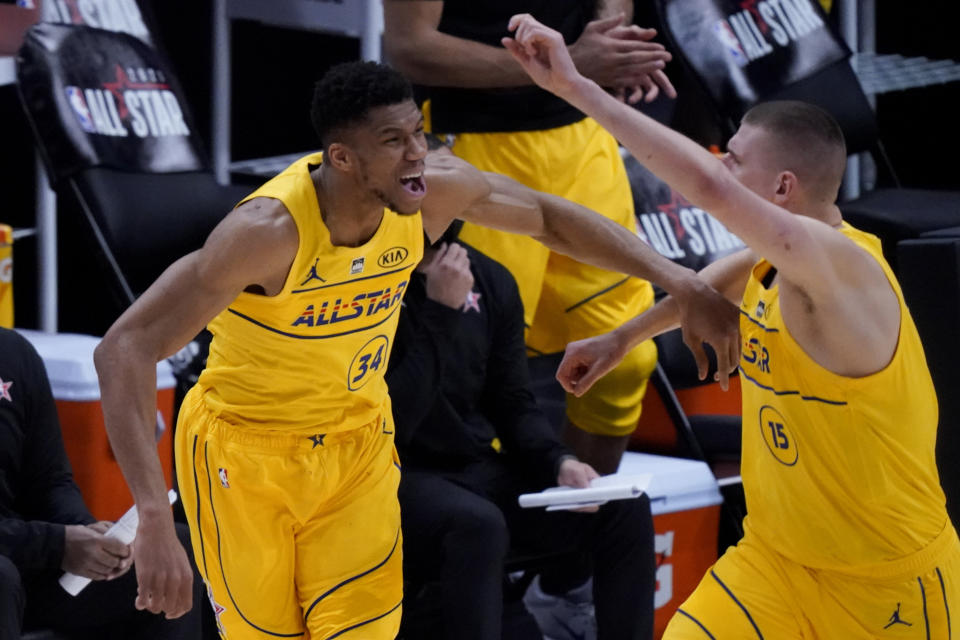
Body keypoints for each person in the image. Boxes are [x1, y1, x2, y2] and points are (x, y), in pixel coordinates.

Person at [92, 60, 737, 639]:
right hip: (246, 452)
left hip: (358, 444)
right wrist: (153, 516)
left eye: (418, 134)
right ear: (342, 158)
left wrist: (680, 281)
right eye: (393, 142)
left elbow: (551, 218)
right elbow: (123, 349)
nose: (416, 155)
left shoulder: (429, 192)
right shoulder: (267, 233)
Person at [505, 14, 960, 638]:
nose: (722, 163)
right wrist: (623, 338)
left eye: (736, 160)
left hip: (881, 581)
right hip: (773, 564)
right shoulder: (771, 262)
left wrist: (577, 87)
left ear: (782, 188)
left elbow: (710, 186)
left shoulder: (846, 269)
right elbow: (719, 276)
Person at [384, 0, 679, 474]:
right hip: (473, 142)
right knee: (473, 372)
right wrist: (568, 63)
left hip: (580, 134)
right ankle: (488, 534)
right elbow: (410, 46)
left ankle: (588, 521)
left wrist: (610, 42)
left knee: (624, 360)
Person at [386, 193, 655, 640]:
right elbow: (391, 421)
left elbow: (511, 403)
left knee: (621, 507)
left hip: (472, 468)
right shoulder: (359, 288)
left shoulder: (489, 279)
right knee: (477, 522)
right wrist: (439, 312)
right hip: (393, 473)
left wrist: (558, 462)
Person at [0, 327, 204, 640]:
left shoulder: (14, 353)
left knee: (173, 549)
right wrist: (58, 545)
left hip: (30, 560)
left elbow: (51, 481)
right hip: (17, 563)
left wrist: (92, 537)